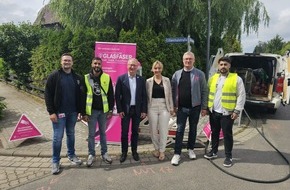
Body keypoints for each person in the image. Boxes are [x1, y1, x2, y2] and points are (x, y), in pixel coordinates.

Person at [45, 53, 83, 175]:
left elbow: (81, 96)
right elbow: (48, 95)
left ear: (72, 62)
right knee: (57, 137)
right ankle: (55, 161)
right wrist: (51, 112)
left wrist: (80, 112)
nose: (67, 62)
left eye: (69, 61)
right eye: (65, 61)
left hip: (72, 113)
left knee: (71, 134)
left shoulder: (77, 77)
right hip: (59, 113)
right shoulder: (54, 76)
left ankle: (72, 155)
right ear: (61, 62)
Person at [204, 57, 246, 167]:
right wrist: (207, 107)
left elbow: (241, 95)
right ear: (218, 66)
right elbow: (208, 92)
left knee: (227, 135)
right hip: (214, 112)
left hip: (227, 113)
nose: (223, 66)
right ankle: (213, 152)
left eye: (225, 64)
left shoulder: (236, 79)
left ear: (229, 66)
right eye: (221, 64)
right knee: (214, 133)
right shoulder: (213, 78)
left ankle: (228, 156)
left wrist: (237, 111)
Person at [171, 51, 208, 166]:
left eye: (190, 59)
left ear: (194, 60)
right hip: (181, 108)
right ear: (183, 60)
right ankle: (177, 153)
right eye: (186, 59)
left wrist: (204, 107)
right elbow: (173, 91)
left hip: (195, 107)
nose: (188, 61)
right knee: (179, 130)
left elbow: (204, 91)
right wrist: (173, 105)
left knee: (193, 129)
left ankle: (190, 149)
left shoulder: (200, 74)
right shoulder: (176, 74)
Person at [81, 57, 114, 167]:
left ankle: (104, 153)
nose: (97, 65)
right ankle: (91, 154)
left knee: (103, 133)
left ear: (101, 65)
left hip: (103, 111)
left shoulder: (106, 77)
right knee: (91, 134)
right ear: (92, 64)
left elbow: (110, 95)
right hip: (91, 111)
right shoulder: (86, 78)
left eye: (99, 63)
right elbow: (82, 96)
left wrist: (110, 110)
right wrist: (83, 113)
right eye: (95, 63)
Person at [115, 58, 147, 163]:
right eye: (130, 65)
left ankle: (134, 152)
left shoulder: (141, 79)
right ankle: (124, 152)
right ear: (127, 66)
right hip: (125, 110)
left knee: (135, 132)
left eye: (134, 65)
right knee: (124, 132)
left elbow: (144, 96)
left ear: (137, 67)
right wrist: (119, 110)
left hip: (137, 110)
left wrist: (144, 110)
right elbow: (117, 96)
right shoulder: (121, 78)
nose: (132, 67)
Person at [146, 61, 174, 161]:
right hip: (152, 106)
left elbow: (170, 95)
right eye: (155, 68)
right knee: (153, 130)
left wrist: (171, 108)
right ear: (152, 69)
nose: (157, 70)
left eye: (159, 68)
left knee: (163, 130)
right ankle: (156, 148)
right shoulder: (148, 81)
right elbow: (146, 96)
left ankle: (162, 150)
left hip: (164, 106)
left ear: (161, 69)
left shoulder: (166, 80)